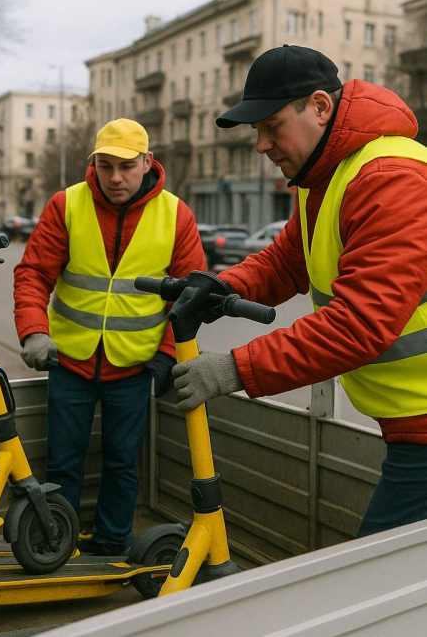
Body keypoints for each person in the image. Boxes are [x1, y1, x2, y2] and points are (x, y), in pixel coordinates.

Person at [172, 44, 427, 537]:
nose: (262, 145)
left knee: (378, 578)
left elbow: (359, 323)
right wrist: (220, 285)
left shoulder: (388, 178)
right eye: (256, 132)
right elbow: (290, 258)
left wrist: (233, 368)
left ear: (320, 106)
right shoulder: (328, 175)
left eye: (272, 126)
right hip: (410, 420)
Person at [13, 118, 207, 555]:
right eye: (105, 166)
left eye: (126, 166)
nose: (115, 177)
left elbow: (190, 298)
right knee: (61, 464)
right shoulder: (66, 205)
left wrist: (165, 358)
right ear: (93, 164)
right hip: (69, 363)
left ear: (147, 163)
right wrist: (33, 333)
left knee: (122, 465)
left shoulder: (177, 214)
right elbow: (33, 274)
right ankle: (54, 545)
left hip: (136, 368)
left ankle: (112, 546)